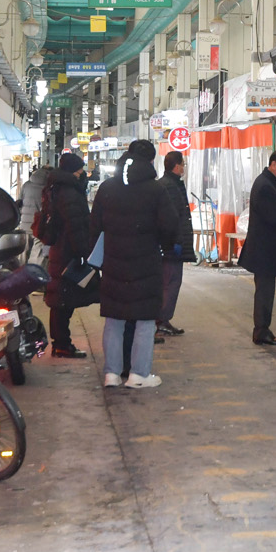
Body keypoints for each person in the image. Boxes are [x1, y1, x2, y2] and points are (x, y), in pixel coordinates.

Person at [87, 138, 182, 389]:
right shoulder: (155, 190)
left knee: (114, 319)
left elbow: (94, 226)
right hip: (146, 262)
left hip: (113, 262)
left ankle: (111, 374)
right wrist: (165, 245)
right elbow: (170, 224)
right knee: (145, 319)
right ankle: (139, 374)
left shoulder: (107, 188)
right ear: (151, 160)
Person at [239, 149, 276, 345]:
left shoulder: (269, 182)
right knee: (264, 291)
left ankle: (262, 329)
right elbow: (272, 216)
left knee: (266, 290)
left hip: (267, 247)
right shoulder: (265, 185)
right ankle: (261, 330)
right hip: (264, 248)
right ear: (274, 164)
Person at [44, 153, 94, 359]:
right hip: (67, 252)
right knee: (62, 301)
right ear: (74, 171)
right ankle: (61, 344)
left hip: (60, 249)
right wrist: (83, 253)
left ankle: (61, 343)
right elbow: (76, 226)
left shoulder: (57, 188)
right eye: (80, 171)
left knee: (62, 299)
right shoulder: (69, 193)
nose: (83, 174)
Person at [157, 150, 196, 337]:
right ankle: (162, 320)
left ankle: (161, 320)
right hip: (171, 247)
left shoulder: (169, 184)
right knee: (171, 283)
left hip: (168, 245)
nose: (184, 168)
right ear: (176, 166)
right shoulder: (170, 187)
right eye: (183, 164)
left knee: (168, 282)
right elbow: (172, 219)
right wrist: (176, 241)